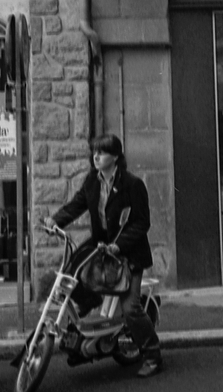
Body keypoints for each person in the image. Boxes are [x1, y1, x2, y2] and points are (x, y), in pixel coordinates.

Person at [47, 134, 163, 378]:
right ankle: (91, 303)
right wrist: (55, 221)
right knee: (68, 276)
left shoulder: (132, 184)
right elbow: (77, 204)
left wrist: (118, 246)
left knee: (130, 308)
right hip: (100, 245)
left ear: (116, 156)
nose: (96, 156)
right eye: (94, 152)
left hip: (129, 252)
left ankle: (152, 355)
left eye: (102, 152)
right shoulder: (93, 180)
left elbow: (142, 223)